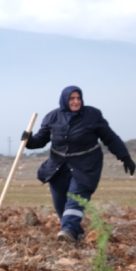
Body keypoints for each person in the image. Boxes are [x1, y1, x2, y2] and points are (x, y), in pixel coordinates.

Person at [23, 86, 134, 243]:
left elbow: (110, 138)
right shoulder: (52, 117)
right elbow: (41, 140)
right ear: (64, 100)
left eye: (78, 98)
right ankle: (76, 233)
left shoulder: (92, 115)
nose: (76, 101)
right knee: (60, 202)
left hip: (86, 164)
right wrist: (29, 140)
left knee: (77, 197)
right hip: (58, 165)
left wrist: (124, 157)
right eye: (71, 98)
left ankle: (68, 229)